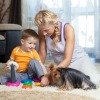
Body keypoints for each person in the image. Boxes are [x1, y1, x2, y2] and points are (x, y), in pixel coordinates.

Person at [35, 10, 100, 86]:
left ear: (54, 24)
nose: (44, 33)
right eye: (42, 30)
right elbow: (42, 55)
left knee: (93, 82)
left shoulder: (68, 28)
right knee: (58, 84)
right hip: (61, 65)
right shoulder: (42, 31)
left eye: (46, 30)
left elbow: (67, 59)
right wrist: (39, 71)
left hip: (77, 59)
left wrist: (48, 75)